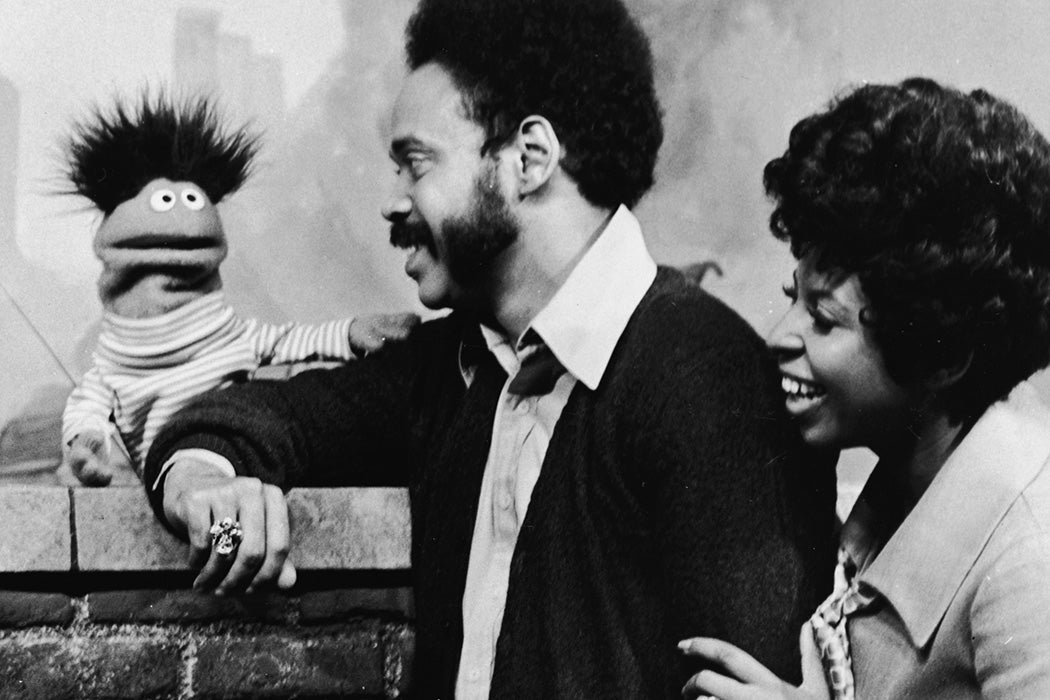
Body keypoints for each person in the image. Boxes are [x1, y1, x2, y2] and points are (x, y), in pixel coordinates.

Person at [143, 0, 835, 696]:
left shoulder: (708, 378)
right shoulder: (450, 366)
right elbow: (234, 423)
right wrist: (203, 487)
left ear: (529, 159)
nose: (392, 203)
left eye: (415, 164)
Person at [681, 77, 1050, 699]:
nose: (778, 336)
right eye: (791, 299)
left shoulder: (1030, 563)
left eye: (824, 318)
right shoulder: (903, 489)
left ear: (943, 357)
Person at [61, 92, 418, 486]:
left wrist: (352, 332)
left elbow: (290, 340)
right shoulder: (113, 366)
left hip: (230, 475)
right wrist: (88, 441)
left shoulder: (232, 338)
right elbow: (87, 407)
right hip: (175, 492)